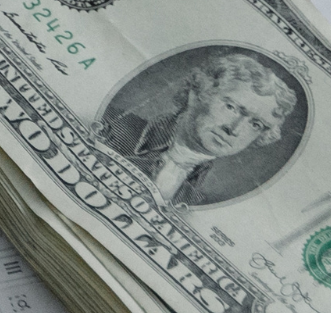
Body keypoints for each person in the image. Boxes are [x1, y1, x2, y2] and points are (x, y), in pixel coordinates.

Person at [101, 49, 303, 207]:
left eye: (255, 124)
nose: (234, 129)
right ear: (197, 93)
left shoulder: (200, 202)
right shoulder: (110, 125)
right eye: (231, 107)